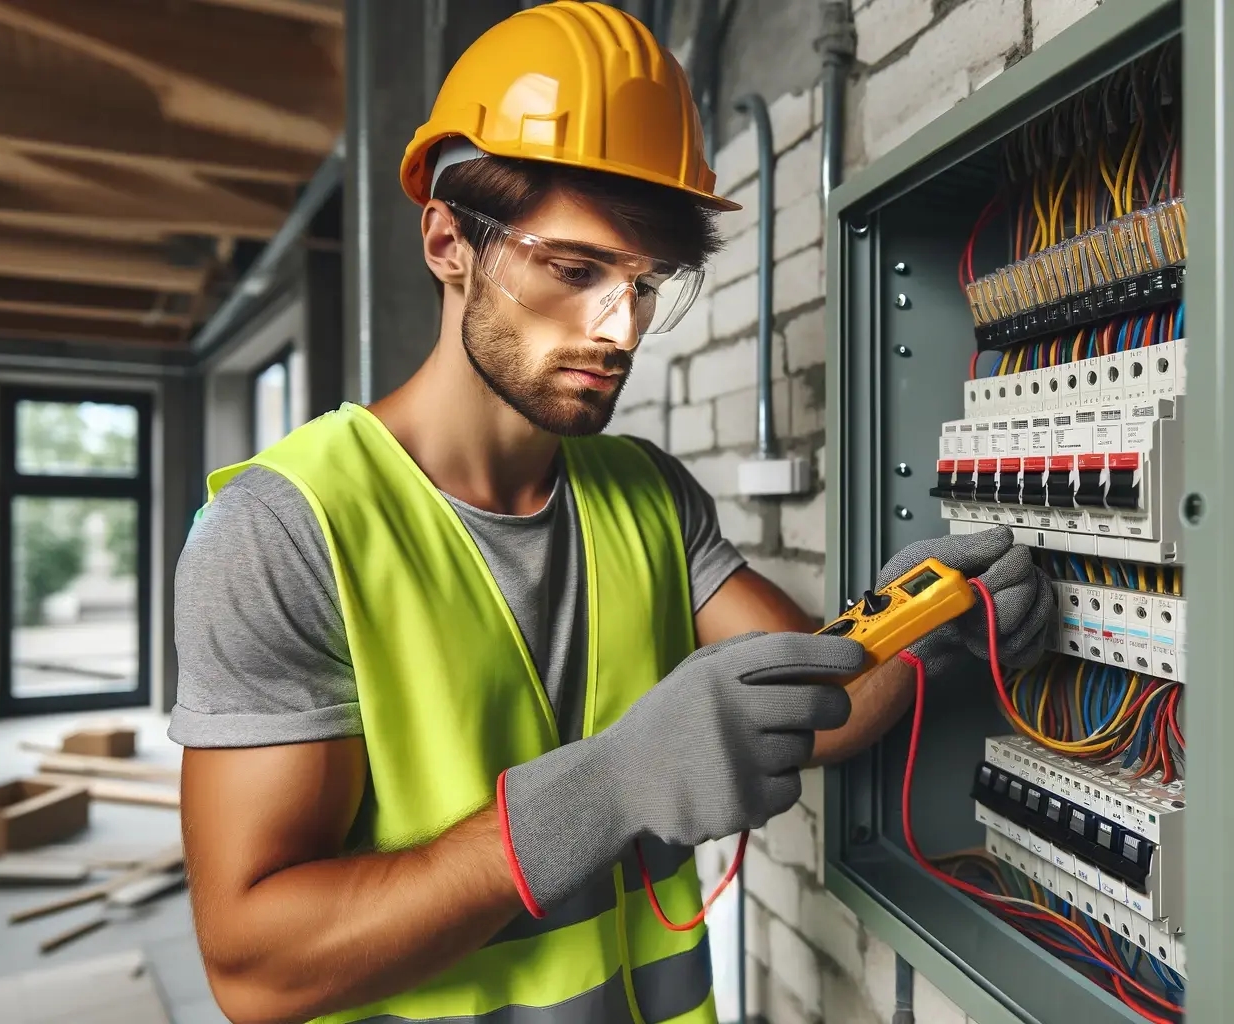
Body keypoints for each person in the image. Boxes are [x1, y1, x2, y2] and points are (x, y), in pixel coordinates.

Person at [168, 4, 1054, 1022]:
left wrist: (935, 621)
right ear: (448, 240)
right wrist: (612, 785)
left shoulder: (647, 492)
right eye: (575, 271)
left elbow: (818, 695)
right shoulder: (286, 531)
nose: (618, 328)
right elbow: (255, 968)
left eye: (645, 285)